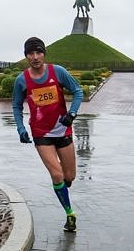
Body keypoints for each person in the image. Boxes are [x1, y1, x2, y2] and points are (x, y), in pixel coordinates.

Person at [12, 37, 84, 233]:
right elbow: (16, 106)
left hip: (63, 130)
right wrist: (20, 128)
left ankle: (63, 183)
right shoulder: (22, 80)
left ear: (44, 53)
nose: (35, 57)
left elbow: (78, 91)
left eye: (38, 52)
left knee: (69, 176)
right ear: (26, 56)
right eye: (31, 53)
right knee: (56, 174)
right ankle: (70, 214)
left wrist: (72, 114)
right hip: (41, 133)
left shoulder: (57, 72)